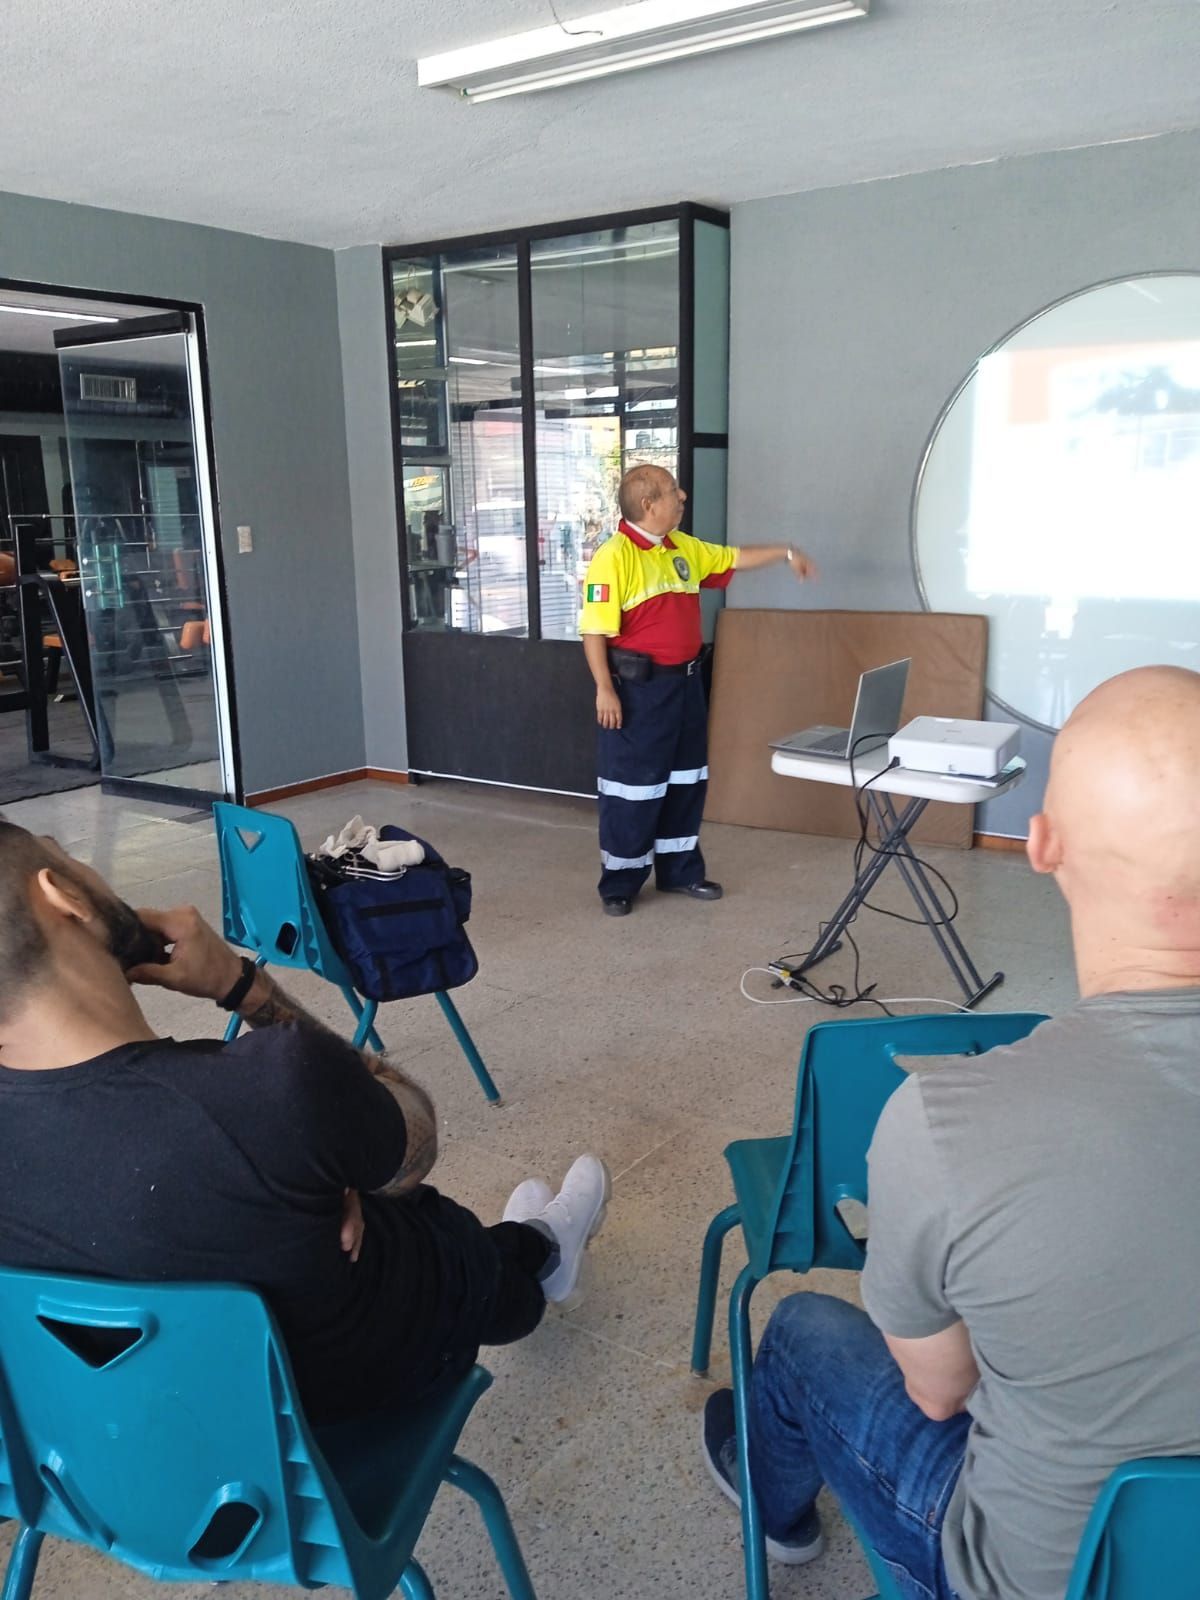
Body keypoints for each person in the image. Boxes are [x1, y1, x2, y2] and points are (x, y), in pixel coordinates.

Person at [702, 664, 1200, 1600]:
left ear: (1043, 846)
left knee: (807, 1328)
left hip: (1038, 1577)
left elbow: (942, 1392)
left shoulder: (948, 1123)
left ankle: (767, 1504)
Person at [0, 825, 610, 1425]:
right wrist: (238, 984)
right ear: (64, 898)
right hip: (356, 1394)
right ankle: (542, 1253)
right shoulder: (271, 1089)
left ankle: (527, 1242)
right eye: (72, 858)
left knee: (344, 1182)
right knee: (427, 1220)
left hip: (169, 1455)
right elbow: (415, 1133)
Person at [579, 463, 816, 916]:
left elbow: (733, 558)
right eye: (672, 491)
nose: (682, 495)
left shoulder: (680, 547)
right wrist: (603, 689)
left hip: (685, 686)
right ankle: (621, 883)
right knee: (633, 787)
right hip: (637, 692)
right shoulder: (614, 556)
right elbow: (594, 630)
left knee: (686, 780)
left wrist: (786, 553)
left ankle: (680, 872)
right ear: (649, 505)